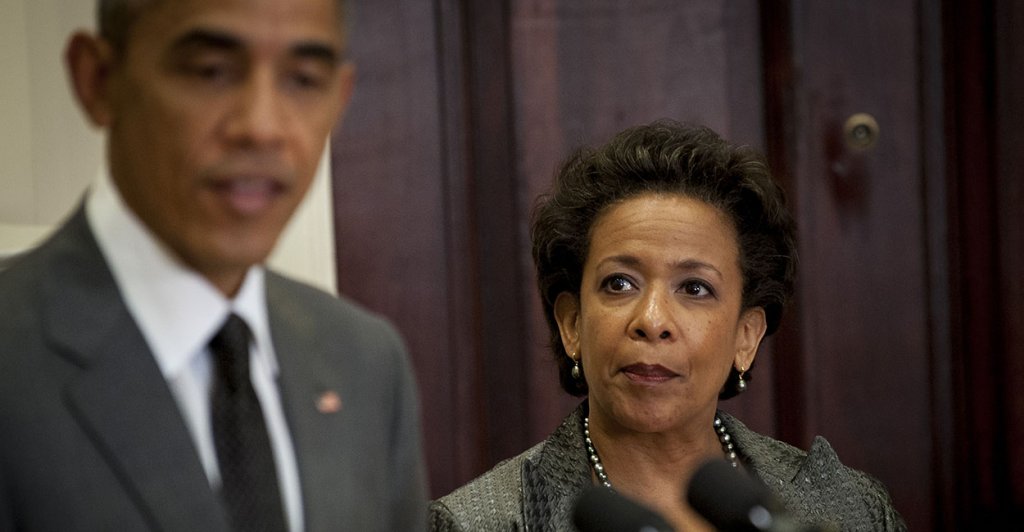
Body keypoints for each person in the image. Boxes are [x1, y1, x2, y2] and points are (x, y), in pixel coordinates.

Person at [0, 0, 427, 530]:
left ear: (340, 99)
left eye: (303, 79)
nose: (262, 127)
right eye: (212, 72)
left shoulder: (365, 363)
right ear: (99, 80)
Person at [428, 121, 905, 531]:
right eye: (619, 283)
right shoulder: (479, 522)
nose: (652, 321)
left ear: (746, 336)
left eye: (695, 288)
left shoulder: (847, 508)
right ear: (572, 324)